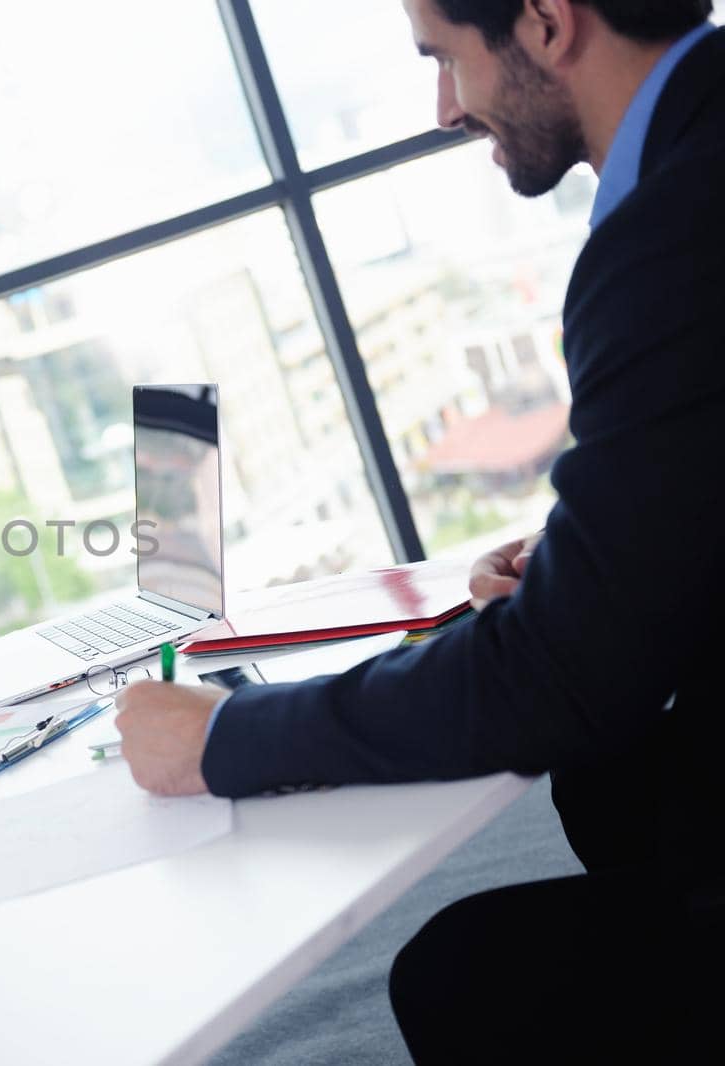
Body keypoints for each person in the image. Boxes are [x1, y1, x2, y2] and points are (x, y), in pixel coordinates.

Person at [114, 0, 723, 1059]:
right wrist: (601, 556)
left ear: (543, 22)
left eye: (443, 59)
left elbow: (559, 681)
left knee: (469, 975)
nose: (444, 108)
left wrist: (220, 740)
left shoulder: (672, 232)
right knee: (615, 784)